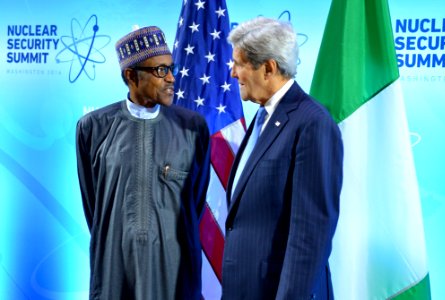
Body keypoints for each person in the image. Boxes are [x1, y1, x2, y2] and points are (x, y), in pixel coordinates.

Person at [76, 26, 210, 300]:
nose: (171, 78)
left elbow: (194, 203)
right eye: (160, 71)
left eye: (171, 68)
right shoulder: (94, 127)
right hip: (115, 272)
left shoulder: (193, 128)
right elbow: (96, 208)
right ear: (131, 76)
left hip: (175, 275)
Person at [222, 17, 343, 300]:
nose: (232, 73)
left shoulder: (312, 124)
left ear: (268, 68)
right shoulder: (264, 116)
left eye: (238, 64)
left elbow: (310, 236)